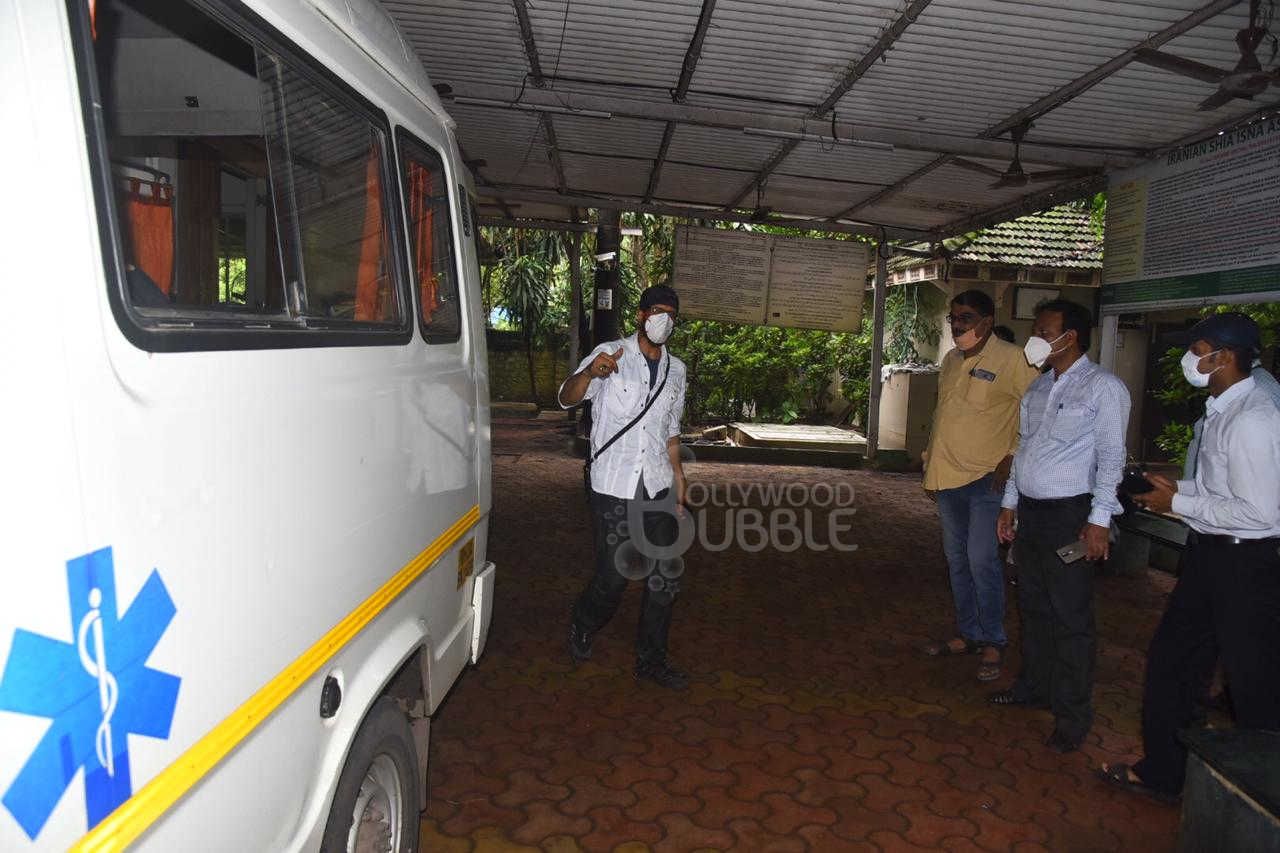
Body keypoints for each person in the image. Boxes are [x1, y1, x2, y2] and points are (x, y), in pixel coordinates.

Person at [1101, 313, 1280, 801]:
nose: (1187, 359)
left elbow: (1260, 511)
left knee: (1253, 685)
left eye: (1195, 348)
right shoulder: (1225, 409)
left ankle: (1257, 802)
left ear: (1222, 356)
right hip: (1210, 557)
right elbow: (1225, 489)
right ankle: (1166, 772)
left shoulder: (1254, 417)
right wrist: (1177, 488)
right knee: (1174, 666)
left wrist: (1175, 504)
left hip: (1245, 564)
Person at [991, 299, 1130, 754]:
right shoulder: (1037, 388)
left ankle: (1072, 718)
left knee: (1071, 618)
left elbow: (1111, 459)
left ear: (1070, 337)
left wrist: (1099, 521)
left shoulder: (1103, 388)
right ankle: (1033, 686)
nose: (1036, 337)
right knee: (1033, 607)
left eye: (1045, 330)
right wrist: (1009, 505)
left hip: (1072, 515)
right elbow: (1022, 449)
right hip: (1031, 513)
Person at [559, 284, 691, 690]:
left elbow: (670, 431)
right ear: (640, 315)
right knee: (614, 577)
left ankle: (651, 660)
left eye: (670, 313)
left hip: (657, 483)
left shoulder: (677, 371)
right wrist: (588, 373)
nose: (662, 319)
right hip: (613, 483)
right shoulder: (610, 354)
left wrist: (680, 478)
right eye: (655, 311)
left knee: (666, 575)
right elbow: (566, 397)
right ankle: (583, 621)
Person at [921, 290, 1039, 682]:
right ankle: (969, 633)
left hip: (989, 479)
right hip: (948, 478)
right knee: (956, 561)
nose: (957, 325)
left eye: (966, 318)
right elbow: (944, 414)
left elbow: (1037, 414)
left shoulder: (1013, 359)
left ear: (987, 322)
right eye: (954, 317)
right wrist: (930, 463)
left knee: (981, 560)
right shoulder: (952, 360)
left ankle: (994, 639)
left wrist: (1012, 457)